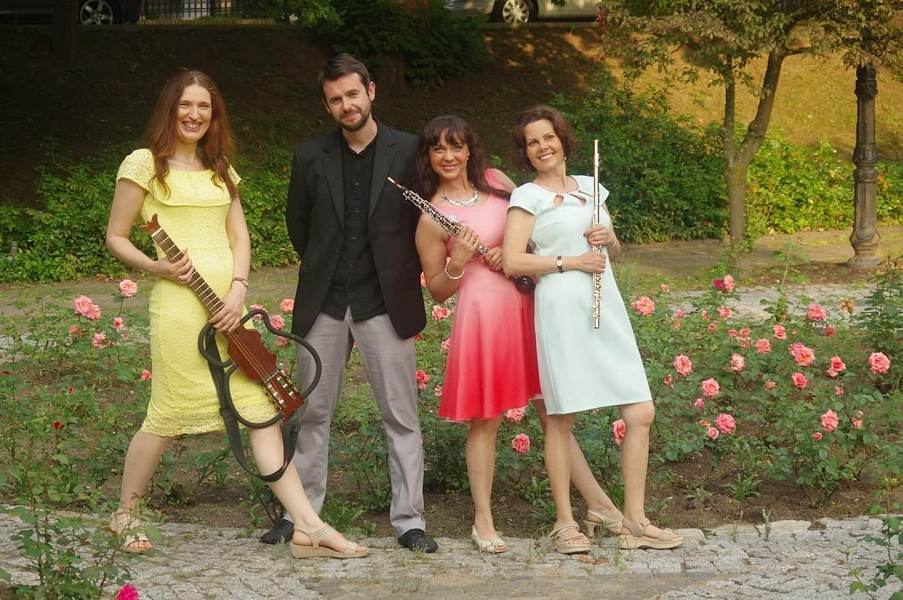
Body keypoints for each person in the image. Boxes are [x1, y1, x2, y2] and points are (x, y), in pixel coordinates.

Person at [105, 70, 367, 559]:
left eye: (203, 106)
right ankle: (126, 513)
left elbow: (239, 237)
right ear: (170, 108)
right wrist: (157, 267)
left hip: (229, 308)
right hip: (180, 310)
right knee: (167, 416)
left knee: (262, 411)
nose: (194, 115)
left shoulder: (220, 167)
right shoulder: (144, 164)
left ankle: (308, 527)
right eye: (186, 105)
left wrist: (238, 290)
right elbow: (116, 236)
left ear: (214, 114)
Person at [262, 54, 436, 553]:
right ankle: (301, 516)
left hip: (386, 302)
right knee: (311, 414)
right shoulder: (309, 156)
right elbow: (300, 226)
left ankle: (409, 521)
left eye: (353, 94)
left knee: (401, 416)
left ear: (371, 92)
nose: (346, 105)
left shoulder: (410, 150)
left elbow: (432, 210)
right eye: (335, 99)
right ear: (327, 106)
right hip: (326, 302)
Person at [503, 105, 683, 552]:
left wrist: (608, 241)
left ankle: (635, 523)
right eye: (532, 142)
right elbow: (513, 260)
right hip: (561, 307)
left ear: (563, 139)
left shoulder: (591, 187)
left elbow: (612, 250)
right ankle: (565, 524)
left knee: (640, 412)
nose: (543, 147)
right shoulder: (527, 196)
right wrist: (571, 261)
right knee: (561, 418)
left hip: (606, 304)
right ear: (525, 152)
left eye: (548, 137)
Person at [413, 115, 539, 553]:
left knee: (552, 408)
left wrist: (514, 251)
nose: (448, 156)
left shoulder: (498, 182)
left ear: (469, 149)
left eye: (456, 146)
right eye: (438, 149)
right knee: (487, 421)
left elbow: (534, 233)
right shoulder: (431, 215)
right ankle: (483, 521)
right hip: (483, 316)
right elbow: (438, 291)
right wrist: (459, 261)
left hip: (525, 301)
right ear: (429, 156)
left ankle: (586, 510)